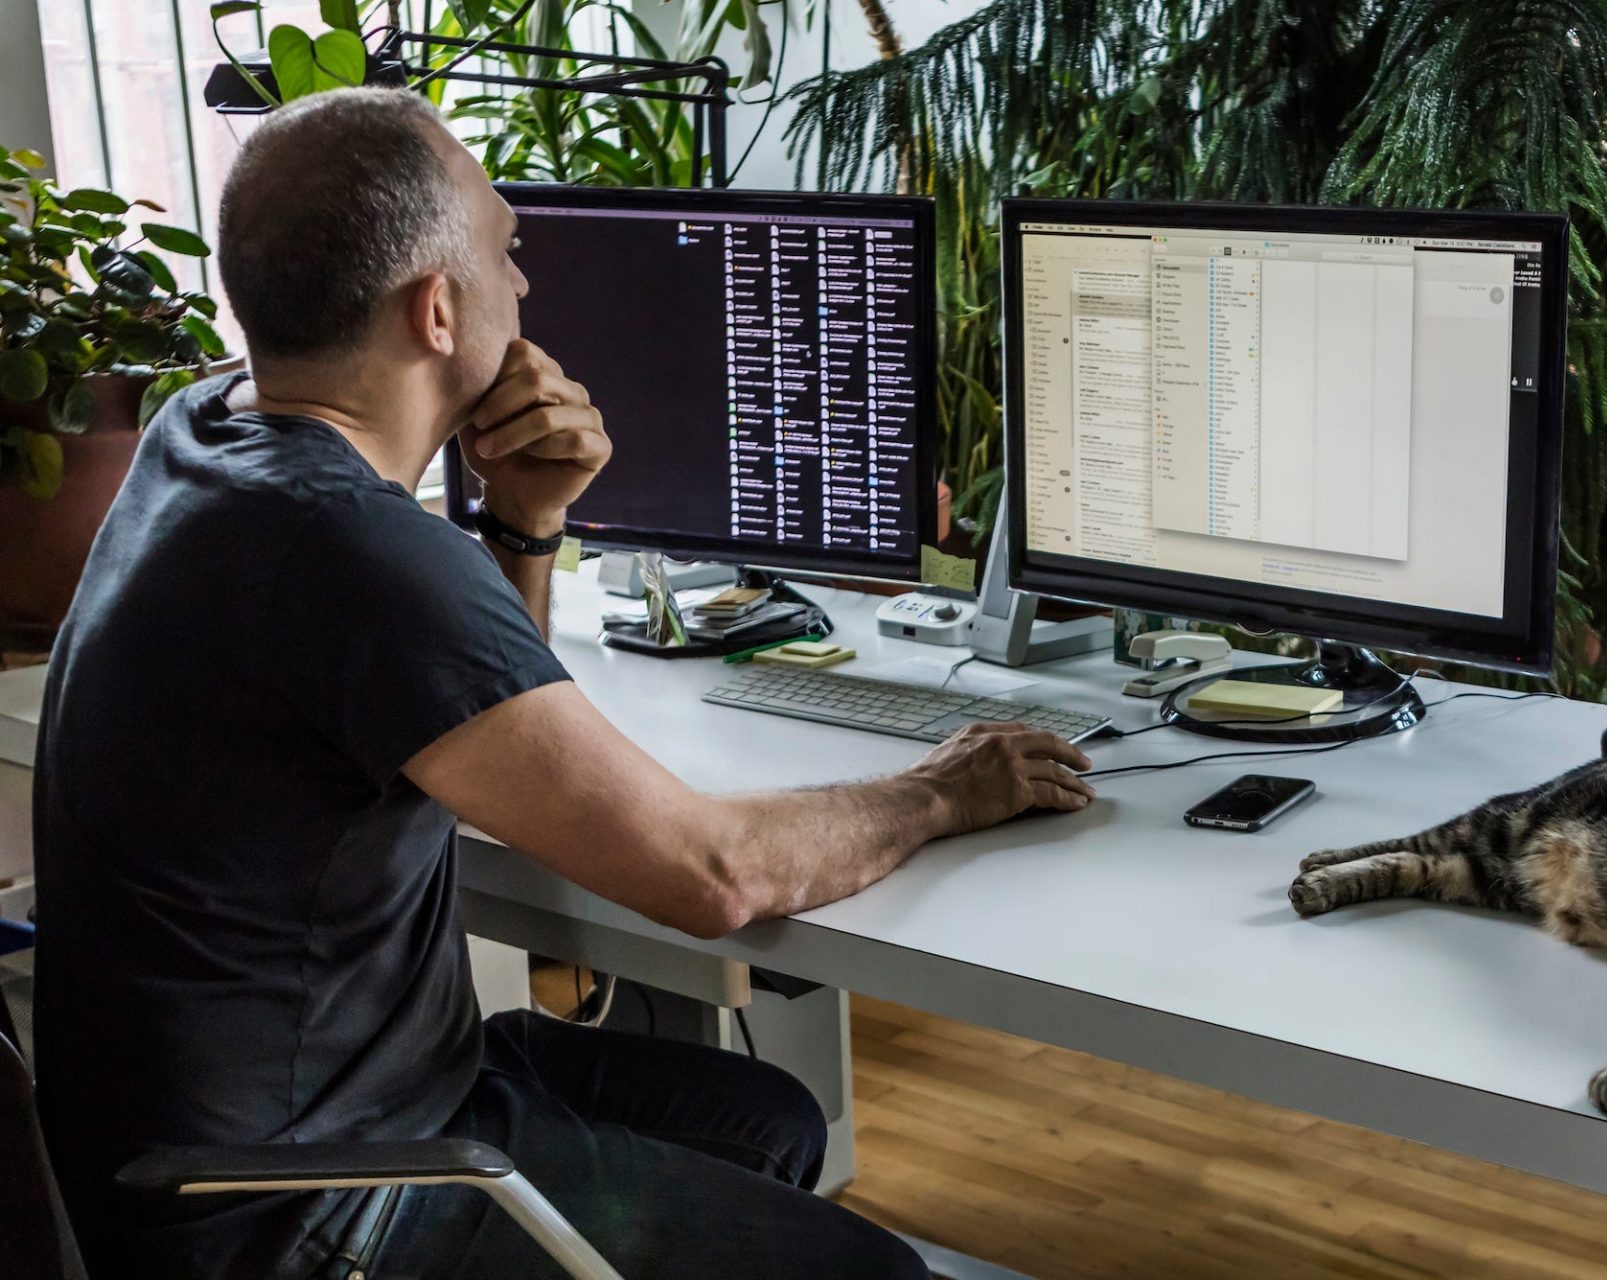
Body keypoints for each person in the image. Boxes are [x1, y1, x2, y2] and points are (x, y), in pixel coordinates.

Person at [33, 87, 1092, 1279]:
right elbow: (713, 872)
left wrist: (527, 525)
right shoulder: (352, 548)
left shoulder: (206, 429)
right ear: (437, 310)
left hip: (303, 1108)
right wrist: (949, 786)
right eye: (507, 249)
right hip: (310, 1201)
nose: (526, 286)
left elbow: (476, 756)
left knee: (774, 1120)